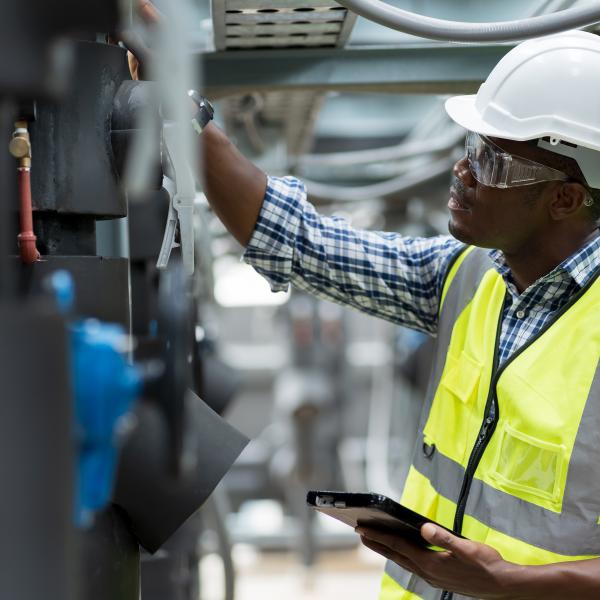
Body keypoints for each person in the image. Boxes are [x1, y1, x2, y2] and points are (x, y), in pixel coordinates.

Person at [129, 6, 600, 598]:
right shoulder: (466, 275)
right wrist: (183, 104)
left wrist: (510, 582)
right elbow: (298, 240)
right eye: (470, 144)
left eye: (492, 161)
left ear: (565, 198)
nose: (462, 169)